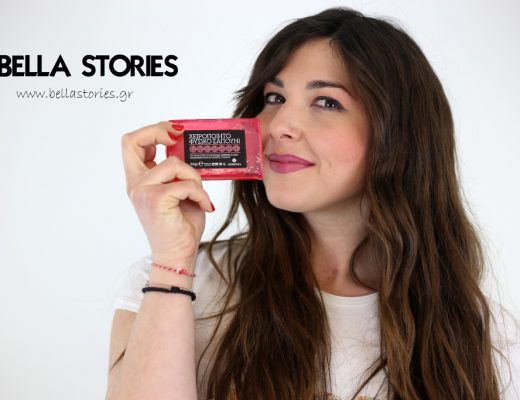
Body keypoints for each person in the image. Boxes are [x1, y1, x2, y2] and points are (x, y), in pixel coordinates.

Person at [106, 7, 519, 400]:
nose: (280, 126)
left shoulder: (486, 337)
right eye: (274, 98)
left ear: (398, 135)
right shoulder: (172, 282)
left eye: (327, 102)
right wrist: (173, 263)